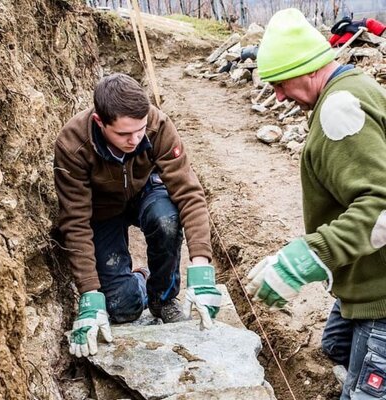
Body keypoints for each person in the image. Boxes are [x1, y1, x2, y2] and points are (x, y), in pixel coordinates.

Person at [245, 8, 386, 400]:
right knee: (336, 348)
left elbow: (380, 208)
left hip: (383, 294)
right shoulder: (352, 87)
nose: (277, 95)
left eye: (279, 83)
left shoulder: (339, 111)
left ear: (306, 69)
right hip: (364, 274)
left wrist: (307, 257)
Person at [54, 73, 221, 358]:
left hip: (146, 192)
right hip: (102, 210)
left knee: (165, 219)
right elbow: (75, 221)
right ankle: (140, 280)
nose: (134, 140)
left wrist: (202, 269)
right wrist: (90, 295)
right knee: (121, 308)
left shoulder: (158, 125)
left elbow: (189, 194)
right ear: (100, 122)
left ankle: (163, 298)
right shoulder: (73, 145)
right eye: (123, 134)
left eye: (140, 130)